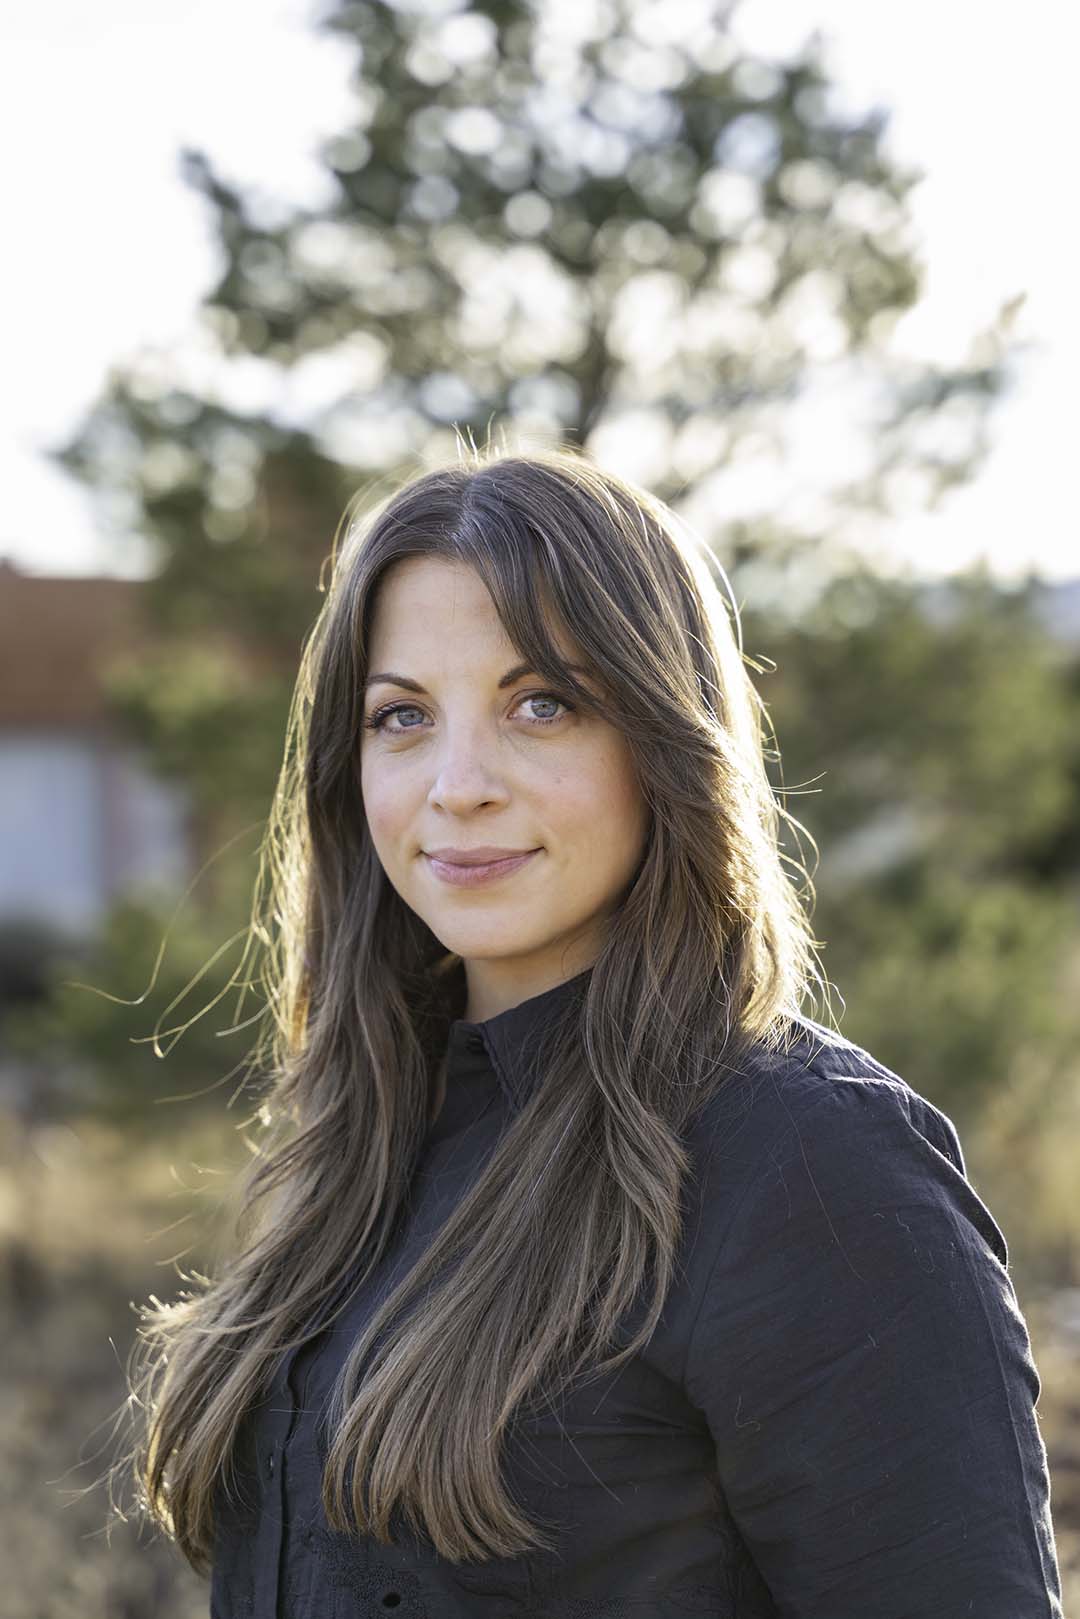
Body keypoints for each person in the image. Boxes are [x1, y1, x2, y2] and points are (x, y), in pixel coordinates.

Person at [125, 443, 1063, 1616]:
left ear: (664, 739)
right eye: (402, 714)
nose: (457, 782)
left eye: (542, 703)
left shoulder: (811, 1165)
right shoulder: (366, 1142)